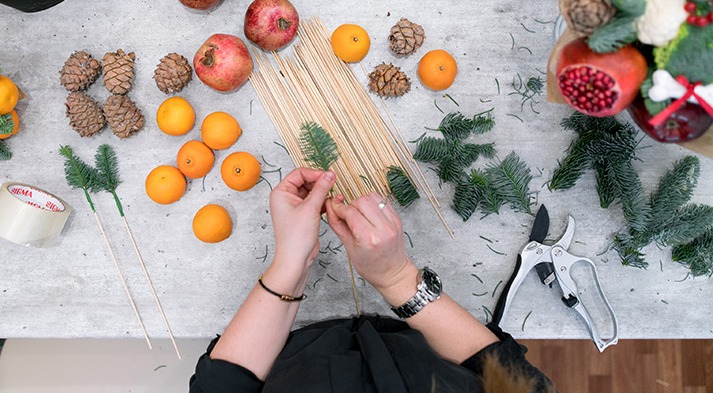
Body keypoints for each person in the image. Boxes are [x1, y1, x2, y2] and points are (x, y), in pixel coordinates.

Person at [189, 168, 555, 393]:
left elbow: (222, 384)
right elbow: (505, 373)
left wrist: (291, 265)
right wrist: (395, 277)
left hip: (284, 352)